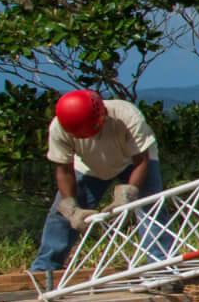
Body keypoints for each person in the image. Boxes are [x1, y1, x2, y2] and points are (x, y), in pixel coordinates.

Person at [33, 88, 162, 276]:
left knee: (151, 206)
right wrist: (71, 207)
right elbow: (64, 169)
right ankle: (44, 268)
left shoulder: (127, 116)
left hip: (133, 162)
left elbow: (141, 160)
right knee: (60, 214)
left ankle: (161, 263)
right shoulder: (58, 128)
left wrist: (128, 195)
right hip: (89, 166)